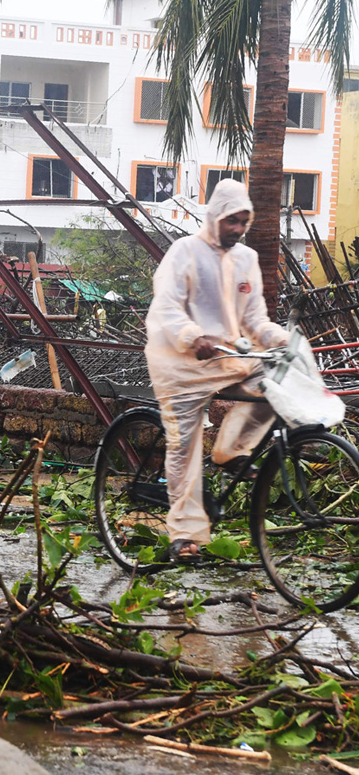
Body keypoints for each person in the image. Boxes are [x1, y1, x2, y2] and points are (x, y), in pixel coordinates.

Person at [144, 179, 289, 562]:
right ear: (215, 217)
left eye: (244, 222)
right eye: (232, 221)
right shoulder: (184, 252)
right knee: (185, 444)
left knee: (278, 383)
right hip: (180, 363)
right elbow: (166, 308)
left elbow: (255, 318)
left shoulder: (247, 260)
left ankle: (230, 450)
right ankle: (185, 535)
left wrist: (278, 337)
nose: (238, 229)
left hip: (227, 357)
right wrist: (193, 337)